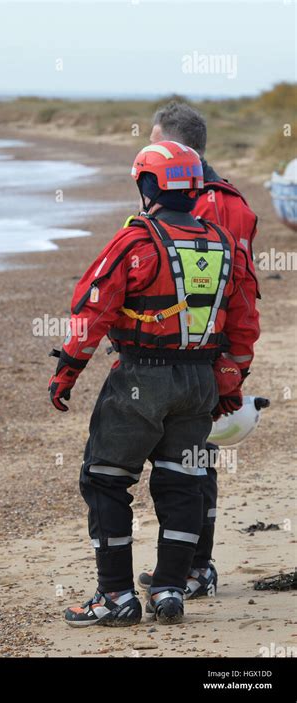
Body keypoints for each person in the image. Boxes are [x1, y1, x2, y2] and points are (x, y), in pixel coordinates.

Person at [48, 141, 259, 626]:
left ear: (147, 186)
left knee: (104, 480)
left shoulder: (135, 241)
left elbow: (92, 312)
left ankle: (116, 597)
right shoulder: (224, 243)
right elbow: (245, 325)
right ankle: (170, 588)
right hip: (201, 382)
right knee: (183, 483)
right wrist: (229, 383)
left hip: (140, 380)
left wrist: (67, 373)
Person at [138, 102, 261, 599]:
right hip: (204, 353)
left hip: (196, 354)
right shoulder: (232, 201)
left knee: (185, 461)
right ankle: (193, 565)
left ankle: (192, 568)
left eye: (152, 141)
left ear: (175, 148)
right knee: (192, 458)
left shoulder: (213, 204)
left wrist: (230, 364)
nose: (145, 151)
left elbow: (236, 289)